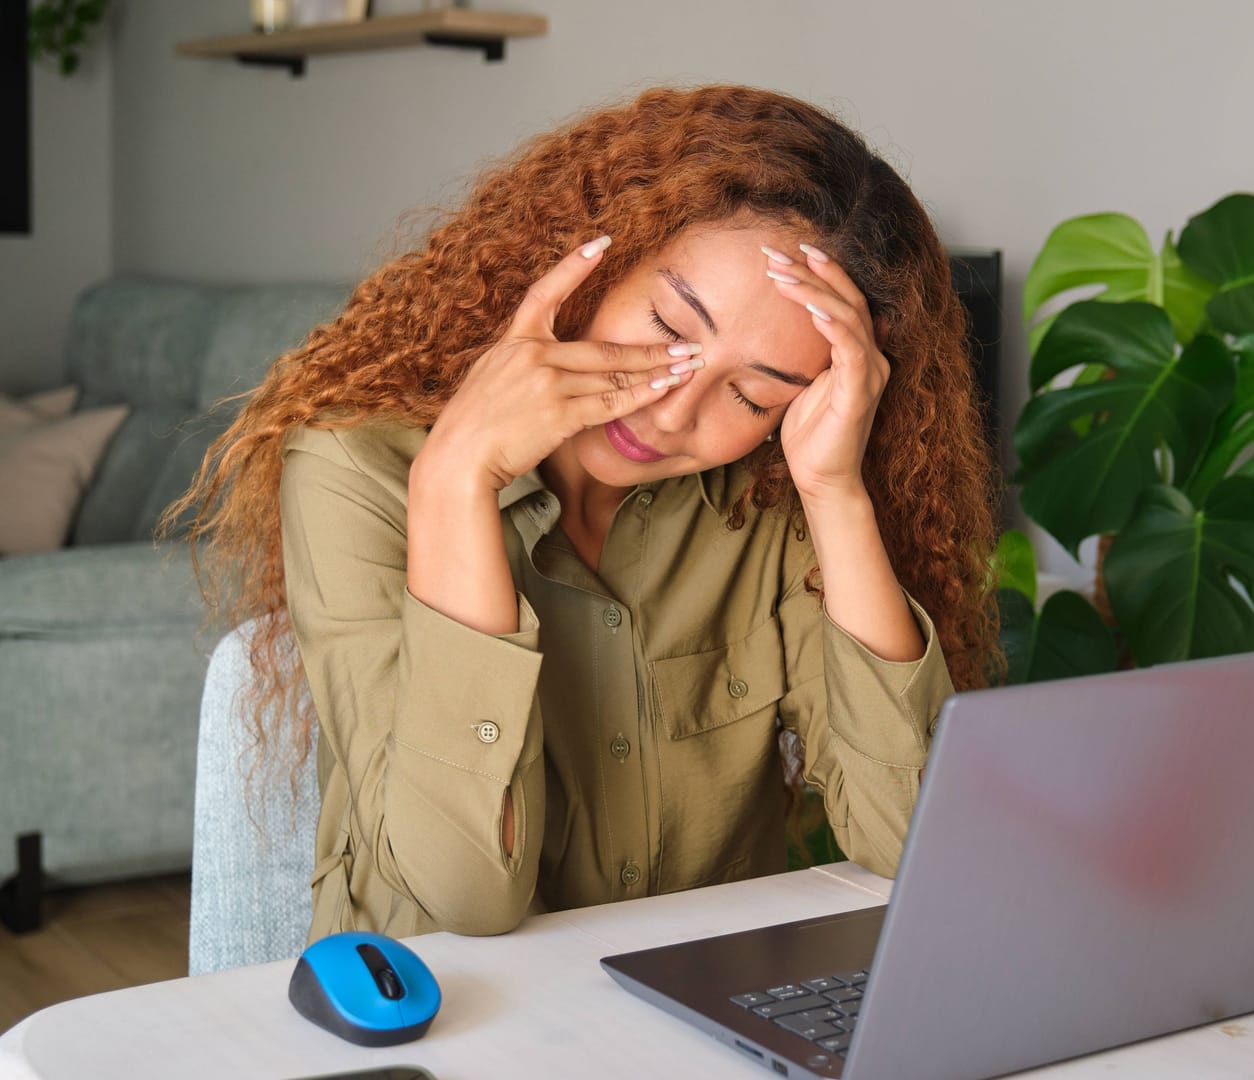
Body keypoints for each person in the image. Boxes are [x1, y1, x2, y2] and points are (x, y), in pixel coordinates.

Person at [170, 84, 997, 943]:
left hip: (699, 1016)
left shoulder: (770, 495)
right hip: (444, 1024)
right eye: (668, 325)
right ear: (593, 263)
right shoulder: (358, 470)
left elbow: (912, 842)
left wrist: (838, 494)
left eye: (751, 396)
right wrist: (457, 481)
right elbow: (465, 896)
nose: (673, 413)